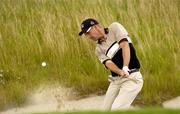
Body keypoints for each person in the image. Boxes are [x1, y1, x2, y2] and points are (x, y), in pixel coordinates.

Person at [78, 18, 143, 110]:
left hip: (132, 77)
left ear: (96, 27)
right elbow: (108, 63)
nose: (88, 37)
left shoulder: (114, 27)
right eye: (86, 35)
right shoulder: (98, 49)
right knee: (105, 110)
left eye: (88, 33)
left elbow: (124, 45)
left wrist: (125, 67)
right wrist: (120, 72)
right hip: (116, 81)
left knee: (117, 109)